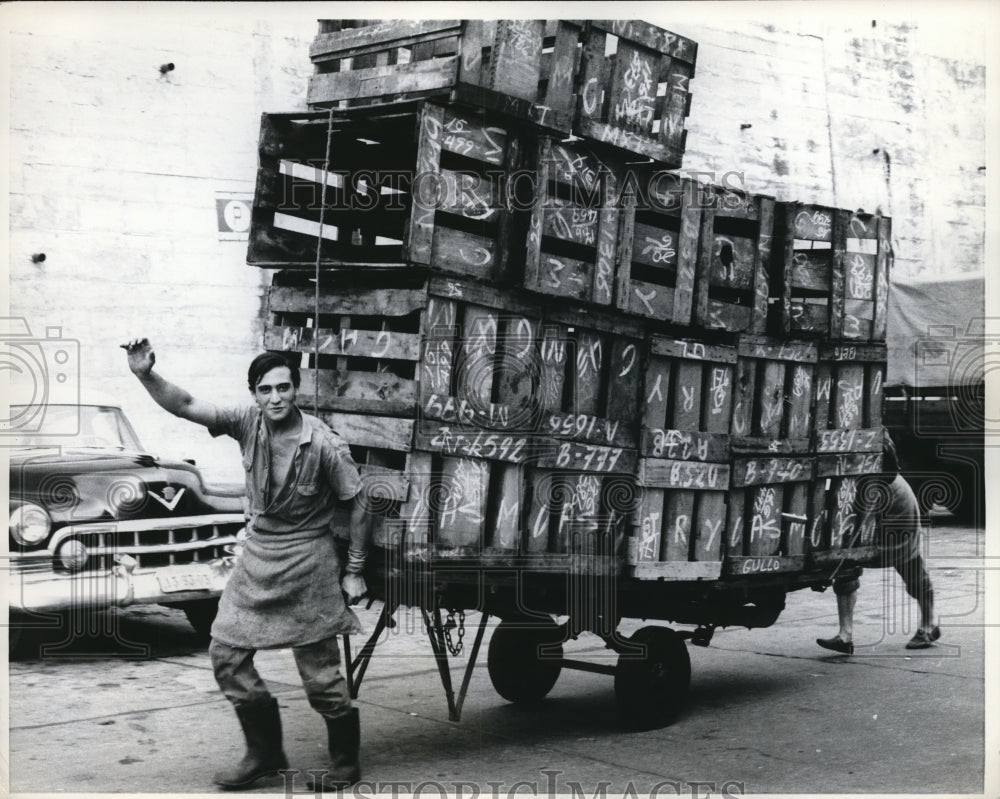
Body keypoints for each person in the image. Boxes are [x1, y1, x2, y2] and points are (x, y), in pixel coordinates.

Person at [123, 338, 369, 791]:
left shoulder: (323, 445)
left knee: (320, 675)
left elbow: (359, 502)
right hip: (258, 556)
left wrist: (354, 568)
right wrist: (145, 373)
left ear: (296, 389)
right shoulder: (246, 422)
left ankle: (344, 760)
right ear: (254, 393)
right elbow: (186, 404)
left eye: (283, 388)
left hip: (308, 560)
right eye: (265, 390)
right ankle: (265, 754)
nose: (275, 398)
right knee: (226, 655)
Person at [817, 430, 940, 655]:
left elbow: (865, 509)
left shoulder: (876, 443)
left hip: (898, 511)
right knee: (847, 567)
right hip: (876, 506)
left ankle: (929, 623)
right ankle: (845, 636)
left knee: (910, 566)